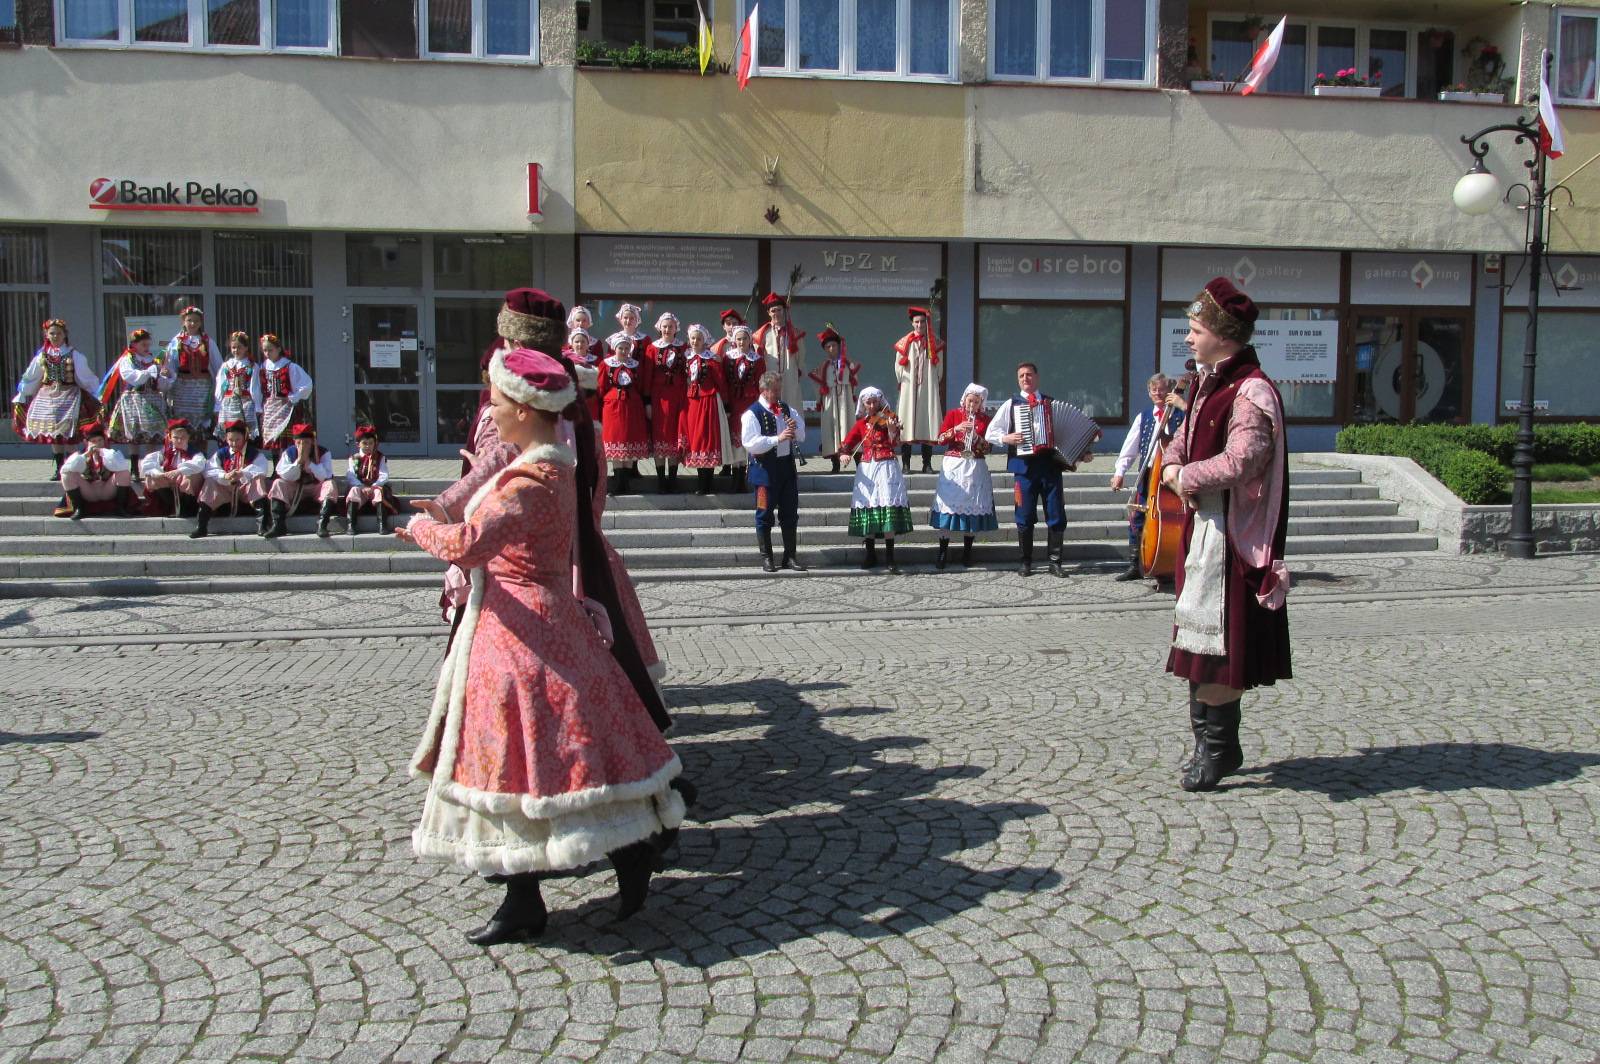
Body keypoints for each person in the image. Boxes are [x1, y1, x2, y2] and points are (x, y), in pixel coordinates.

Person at [398, 345, 686, 945]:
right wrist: (444, 504)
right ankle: (528, 893)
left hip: (526, 635)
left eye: (499, 402)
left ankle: (621, 854)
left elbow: (469, 543)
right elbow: (479, 483)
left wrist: (420, 528)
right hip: (511, 630)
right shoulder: (535, 462)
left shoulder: (537, 476)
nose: (493, 412)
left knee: (535, 761)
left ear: (528, 409)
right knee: (521, 763)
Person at [431, 288, 672, 734]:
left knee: (523, 672)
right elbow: (594, 489)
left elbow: (489, 474)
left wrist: (444, 513)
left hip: (517, 566)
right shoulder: (575, 410)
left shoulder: (515, 412)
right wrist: (583, 532)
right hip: (574, 551)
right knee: (588, 657)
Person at [1161, 277, 1292, 793]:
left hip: (1230, 535)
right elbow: (1179, 442)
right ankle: (1213, 746)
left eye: (1195, 330)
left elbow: (1244, 459)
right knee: (1197, 642)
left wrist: (1183, 477)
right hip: (1201, 529)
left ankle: (1216, 751)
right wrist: (1173, 466)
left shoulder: (1250, 389)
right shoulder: (1204, 383)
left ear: (1223, 333)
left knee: (1216, 648)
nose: (1189, 339)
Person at [985, 362, 1090, 578]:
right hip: (1024, 469)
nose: (1025, 379)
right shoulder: (1011, 404)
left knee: (1056, 514)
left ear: (1037, 377)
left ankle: (1055, 562)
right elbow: (990, 432)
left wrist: (1081, 453)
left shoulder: (1050, 403)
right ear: (1018, 380)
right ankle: (1025, 562)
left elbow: (1067, 434)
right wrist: (1006, 438)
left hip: (1050, 467)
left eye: (1029, 375)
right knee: (1024, 515)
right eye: (1021, 376)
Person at [1111, 373, 1187, 581]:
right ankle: (1135, 565)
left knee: (1175, 521)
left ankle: (1170, 561)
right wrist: (1120, 472)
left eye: (1162, 389)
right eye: (1154, 390)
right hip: (1148, 473)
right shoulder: (1143, 417)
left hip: (1174, 474)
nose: (1158, 394)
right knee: (1137, 517)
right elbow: (1130, 448)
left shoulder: (1182, 416)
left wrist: (1184, 406)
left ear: (1170, 391)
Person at [12, 318, 100, 485]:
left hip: (69, 395)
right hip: (48, 397)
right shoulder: (42, 355)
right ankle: (59, 468)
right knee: (53, 434)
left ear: (65, 334)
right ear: (46, 334)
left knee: (69, 434)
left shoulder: (74, 354)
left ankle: (72, 467)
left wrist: (94, 392)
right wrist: (23, 393)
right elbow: (32, 376)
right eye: (52, 333)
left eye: (58, 333)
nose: (55, 336)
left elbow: (84, 376)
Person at [838, 387, 912, 573]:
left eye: (875, 402)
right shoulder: (861, 424)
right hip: (868, 468)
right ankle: (870, 554)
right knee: (869, 507)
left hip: (887, 467)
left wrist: (892, 428)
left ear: (880, 402)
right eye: (868, 403)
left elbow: (895, 442)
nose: (872, 406)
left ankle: (890, 557)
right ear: (863, 404)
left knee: (887, 507)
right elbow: (846, 445)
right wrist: (844, 455)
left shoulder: (888, 419)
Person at [741, 370, 807, 573]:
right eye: (775, 390)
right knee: (764, 514)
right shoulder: (752, 413)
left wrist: (795, 428)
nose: (779, 394)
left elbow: (802, 435)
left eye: (779, 390)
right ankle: (767, 557)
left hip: (786, 469)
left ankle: (790, 557)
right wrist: (776, 439)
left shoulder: (786, 409)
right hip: (764, 472)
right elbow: (750, 443)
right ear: (764, 390)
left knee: (790, 513)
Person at [929, 384, 997, 569]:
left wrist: (976, 437)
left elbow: (988, 449)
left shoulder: (985, 419)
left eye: (976, 402)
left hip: (975, 466)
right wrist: (957, 428)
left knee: (971, 506)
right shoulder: (953, 414)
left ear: (980, 403)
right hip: (954, 465)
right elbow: (940, 439)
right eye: (970, 400)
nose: (972, 405)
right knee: (949, 507)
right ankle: (942, 551)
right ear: (964, 399)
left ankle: (968, 553)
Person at [101, 329, 170, 477]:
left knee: (152, 435)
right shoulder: (128, 359)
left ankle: (150, 467)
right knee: (134, 434)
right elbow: (131, 377)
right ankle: (134, 468)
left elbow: (162, 385)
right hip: (133, 399)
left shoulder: (153, 360)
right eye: (143, 344)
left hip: (152, 400)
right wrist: (148, 372)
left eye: (147, 344)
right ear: (134, 344)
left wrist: (164, 377)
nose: (146, 347)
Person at [193, 420, 272, 539]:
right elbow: (209, 470)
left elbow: (262, 469)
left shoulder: (254, 454)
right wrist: (224, 475)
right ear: (226, 438)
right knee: (210, 482)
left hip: (245, 488)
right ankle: (201, 525)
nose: (234, 443)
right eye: (230, 440)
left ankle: (262, 524)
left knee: (258, 480)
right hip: (226, 486)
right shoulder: (221, 453)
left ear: (245, 438)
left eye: (237, 440)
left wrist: (242, 473)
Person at [682, 323, 733, 495]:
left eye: (699, 338)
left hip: (708, 401)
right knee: (696, 441)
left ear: (705, 341)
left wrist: (726, 405)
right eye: (693, 338)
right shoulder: (686, 357)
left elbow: (721, 383)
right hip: (692, 404)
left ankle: (707, 483)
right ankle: (700, 481)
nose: (695, 341)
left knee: (707, 440)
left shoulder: (711, 359)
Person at [893, 306, 944, 473]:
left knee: (926, 422)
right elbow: (898, 366)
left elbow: (939, 367)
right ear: (912, 323)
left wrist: (933, 382)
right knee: (906, 423)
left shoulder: (934, 342)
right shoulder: (904, 342)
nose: (919, 324)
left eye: (922, 321)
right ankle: (906, 464)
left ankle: (927, 463)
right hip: (909, 387)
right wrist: (905, 381)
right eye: (916, 322)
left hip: (927, 387)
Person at [598, 335, 651, 493]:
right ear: (615, 348)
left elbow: (641, 385)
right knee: (616, 442)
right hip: (613, 407)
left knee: (628, 444)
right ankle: (618, 483)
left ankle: (625, 483)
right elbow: (601, 388)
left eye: (627, 348)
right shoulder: (606, 364)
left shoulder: (635, 365)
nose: (624, 351)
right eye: (621, 348)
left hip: (632, 407)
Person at [264, 422, 336, 539]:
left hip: (315, 486)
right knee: (278, 483)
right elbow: (283, 474)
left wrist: (310, 465)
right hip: (295, 486)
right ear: (294, 442)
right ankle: (278, 524)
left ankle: (322, 524)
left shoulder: (323, 452)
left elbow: (326, 475)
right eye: (299, 443)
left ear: (312, 442)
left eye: (306, 442)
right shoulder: (289, 453)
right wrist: (297, 463)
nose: (302, 446)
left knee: (330, 485)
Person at [645, 312, 688, 491]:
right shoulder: (652, 348)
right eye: (665, 326)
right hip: (659, 397)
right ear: (659, 328)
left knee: (673, 435)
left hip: (678, 397)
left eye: (671, 326)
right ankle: (661, 479)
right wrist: (647, 401)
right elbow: (648, 375)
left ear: (676, 329)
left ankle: (672, 478)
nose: (667, 329)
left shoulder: (683, 348)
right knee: (660, 435)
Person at [807, 326, 859, 473]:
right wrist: (820, 399)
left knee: (848, 426)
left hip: (845, 400)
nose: (831, 349)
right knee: (832, 429)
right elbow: (817, 383)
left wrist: (852, 395)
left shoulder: (848, 364)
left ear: (839, 346)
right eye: (828, 346)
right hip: (830, 400)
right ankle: (835, 462)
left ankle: (858, 461)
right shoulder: (823, 366)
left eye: (833, 345)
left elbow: (855, 381)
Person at [164, 306, 222, 436]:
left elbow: (217, 365)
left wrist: (220, 386)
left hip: (202, 389)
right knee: (182, 423)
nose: (192, 324)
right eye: (189, 320)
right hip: (182, 389)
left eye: (196, 321)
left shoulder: (207, 341)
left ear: (200, 323)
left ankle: (201, 453)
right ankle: (183, 451)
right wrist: (167, 381)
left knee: (201, 424)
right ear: (183, 322)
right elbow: (170, 365)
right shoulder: (176, 342)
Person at [59, 422, 134, 520]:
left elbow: (122, 466)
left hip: (107, 490)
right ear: (86, 443)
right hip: (89, 491)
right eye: (93, 441)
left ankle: (120, 508)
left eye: (100, 440)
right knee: (66, 475)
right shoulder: (79, 455)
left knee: (124, 472)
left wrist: (104, 453)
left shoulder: (111, 453)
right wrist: (86, 455)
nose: (97, 444)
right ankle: (79, 509)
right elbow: (66, 469)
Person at [723, 325, 765, 493]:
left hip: (750, 403)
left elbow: (762, 384)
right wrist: (726, 404)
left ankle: (746, 479)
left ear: (750, 340)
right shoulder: (728, 358)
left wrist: (761, 406)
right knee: (735, 441)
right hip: (734, 403)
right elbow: (724, 381)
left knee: (748, 437)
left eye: (745, 338)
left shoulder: (757, 359)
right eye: (738, 339)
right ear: (734, 340)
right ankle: (736, 478)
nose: (741, 342)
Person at [257, 333, 313, 458]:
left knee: (284, 440)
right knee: (273, 439)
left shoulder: (290, 367)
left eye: (270, 350)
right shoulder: (263, 367)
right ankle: (276, 467)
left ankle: (287, 465)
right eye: (265, 350)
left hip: (286, 407)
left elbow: (307, 384)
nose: (267, 353)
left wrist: (294, 397)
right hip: (270, 407)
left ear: (279, 349)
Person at [752, 292, 806, 415]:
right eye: (773, 311)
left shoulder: (795, 333)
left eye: (779, 310)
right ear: (769, 313)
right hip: (770, 374)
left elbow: (801, 356)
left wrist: (797, 372)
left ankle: (793, 432)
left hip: (790, 373)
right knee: (771, 402)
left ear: (784, 311)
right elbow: (758, 356)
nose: (776, 313)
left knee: (791, 404)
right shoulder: (762, 333)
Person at [140, 418, 206, 517]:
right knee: (152, 478)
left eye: (183, 437)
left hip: (187, 481)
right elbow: (149, 462)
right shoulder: (166, 451)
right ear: (170, 437)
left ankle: (189, 508)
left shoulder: (194, 452)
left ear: (188, 437)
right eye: (176, 437)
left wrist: (180, 471)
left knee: (189, 478)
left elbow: (199, 464)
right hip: (171, 480)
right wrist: (159, 474)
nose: (179, 440)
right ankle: (174, 507)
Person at [344, 424, 398, 537]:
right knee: (353, 491)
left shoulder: (380, 457)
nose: (368, 446)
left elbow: (384, 475)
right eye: (365, 443)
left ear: (375, 444)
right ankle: (351, 524)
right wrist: (361, 486)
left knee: (379, 492)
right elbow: (351, 476)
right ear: (358, 444)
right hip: (361, 488)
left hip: (374, 487)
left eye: (371, 443)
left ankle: (382, 524)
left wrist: (374, 486)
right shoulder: (354, 458)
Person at [215, 331, 261, 441]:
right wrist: (217, 405)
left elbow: (255, 387)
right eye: (233, 347)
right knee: (229, 431)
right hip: (228, 403)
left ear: (246, 348)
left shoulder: (252, 365)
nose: (236, 350)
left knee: (244, 432)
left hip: (246, 403)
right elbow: (220, 385)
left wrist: (257, 406)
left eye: (239, 347)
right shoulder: (226, 365)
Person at [564, 328, 603, 420]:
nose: (580, 344)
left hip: (591, 401)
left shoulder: (596, 360)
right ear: (571, 344)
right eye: (576, 342)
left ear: (588, 344)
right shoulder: (566, 360)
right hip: (571, 400)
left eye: (583, 342)